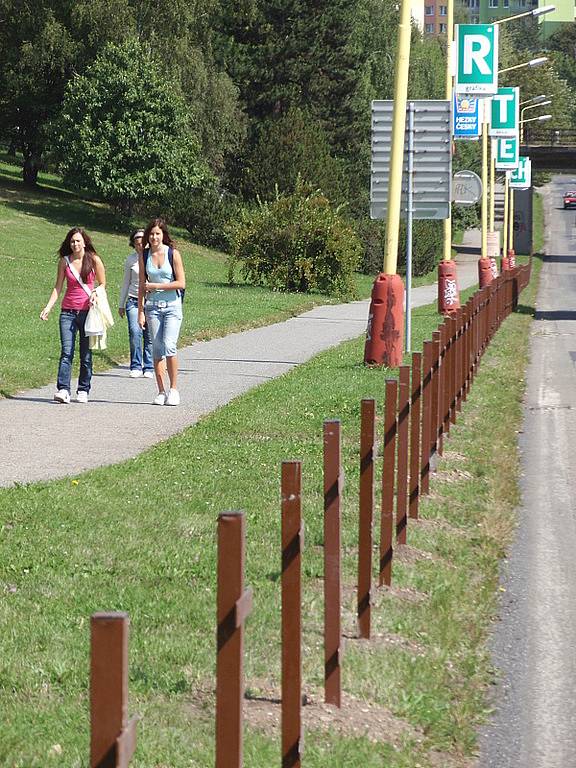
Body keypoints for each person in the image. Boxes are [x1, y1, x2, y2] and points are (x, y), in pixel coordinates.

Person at [40, 227, 106, 403]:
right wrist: (48, 307)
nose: (75, 244)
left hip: (88, 313)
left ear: (85, 242)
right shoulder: (64, 262)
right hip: (67, 313)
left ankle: (83, 389)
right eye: (72, 241)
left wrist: (95, 293)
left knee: (85, 354)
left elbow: (102, 283)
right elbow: (58, 287)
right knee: (66, 351)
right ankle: (63, 390)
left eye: (78, 240)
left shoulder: (94, 260)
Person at [138, 218, 185, 406]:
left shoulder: (173, 254)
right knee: (157, 349)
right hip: (152, 308)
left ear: (163, 235)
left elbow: (181, 283)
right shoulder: (144, 255)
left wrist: (157, 285)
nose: (154, 237)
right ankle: (161, 391)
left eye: (157, 233)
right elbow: (142, 285)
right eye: (151, 234)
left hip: (172, 306)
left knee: (169, 345)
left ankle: (174, 389)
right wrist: (140, 311)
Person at [118, 229, 154, 378]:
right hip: (133, 300)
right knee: (135, 331)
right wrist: (121, 304)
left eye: (142, 243)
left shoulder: (154, 257)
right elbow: (126, 282)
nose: (140, 245)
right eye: (137, 243)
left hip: (151, 301)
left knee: (150, 335)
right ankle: (136, 365)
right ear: (133, 245)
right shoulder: (130, 260)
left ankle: (149, 366)